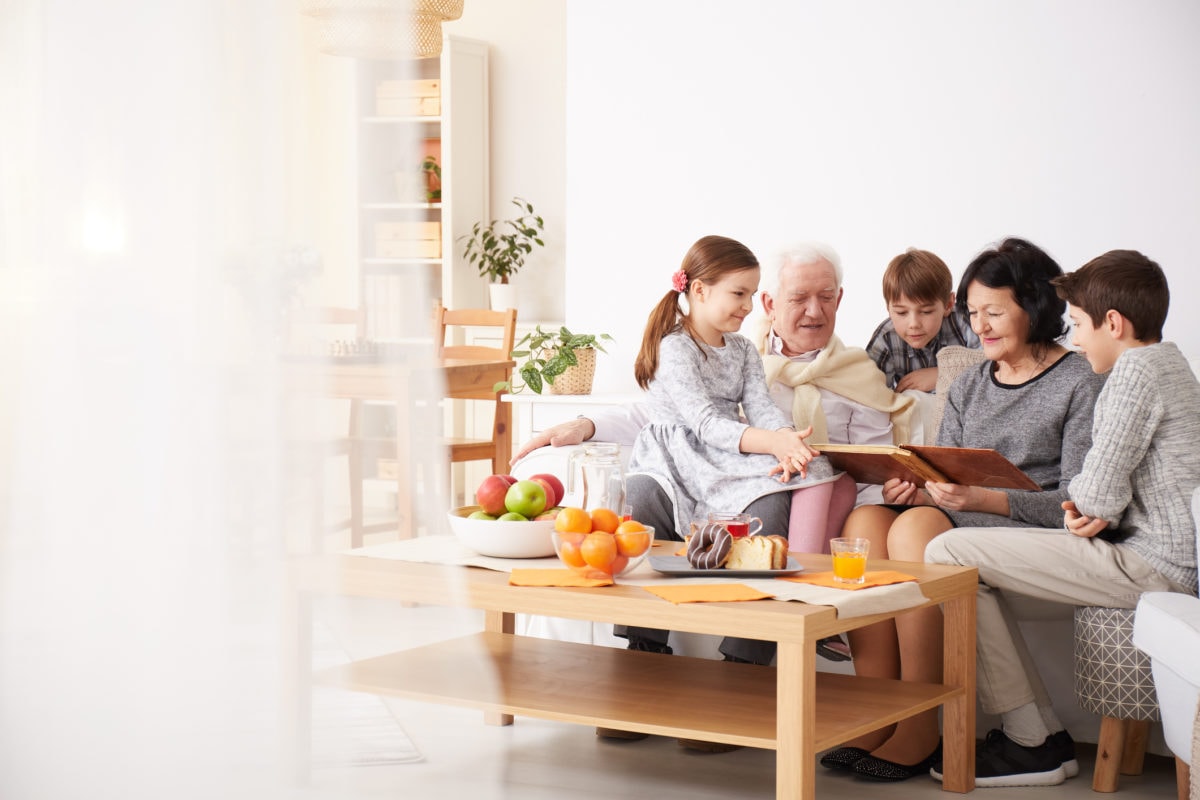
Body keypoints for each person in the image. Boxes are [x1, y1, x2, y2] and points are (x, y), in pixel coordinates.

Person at [511, 242, 915, 663]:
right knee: (643, 497)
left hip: (722, 457)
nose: (747, 307)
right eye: (740, 295)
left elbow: (760, 408)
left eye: (749, 295)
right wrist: (586, 425)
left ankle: (747, 656)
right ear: (700, 291)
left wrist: (787, 441)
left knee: (778, 494)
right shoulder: (675, 347)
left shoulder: (743, 351)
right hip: (675, 459)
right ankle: (644, 648)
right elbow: (699, 420)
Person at [821, 237, 1106, 783]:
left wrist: (974, 499)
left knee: (915, 535)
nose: (981, 326)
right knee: (865, 522)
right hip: (957, 512)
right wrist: (911, 488)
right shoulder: (971, 380)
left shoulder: (1079, 380)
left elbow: (1073, 499)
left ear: (1036, 306)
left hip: (1025, 526)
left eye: (994, 312)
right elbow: (940, 473)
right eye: (974, 313)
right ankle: (878, 710)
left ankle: (922, 721)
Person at [923, 249, 1200, 788]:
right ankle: (1037, 737)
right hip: (1164, 554)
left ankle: (1031, 738)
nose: (1074, 340)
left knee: (946, 554)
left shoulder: (1129, 375)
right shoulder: (1173, 363)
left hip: (1150, 564)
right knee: (959, 565)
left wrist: (1084, 511)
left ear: (1113, 324)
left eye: (1078, 325)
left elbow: (1091, 490)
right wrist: (1092, 508)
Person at [865, 247, 980, 392]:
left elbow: (997, 363)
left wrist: (942, 374)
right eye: (901, 312)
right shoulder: (886, 339)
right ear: (888, 308)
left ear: (948, 304)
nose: (914, 324)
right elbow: (871, 396)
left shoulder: (964, 321)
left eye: (926, 312)